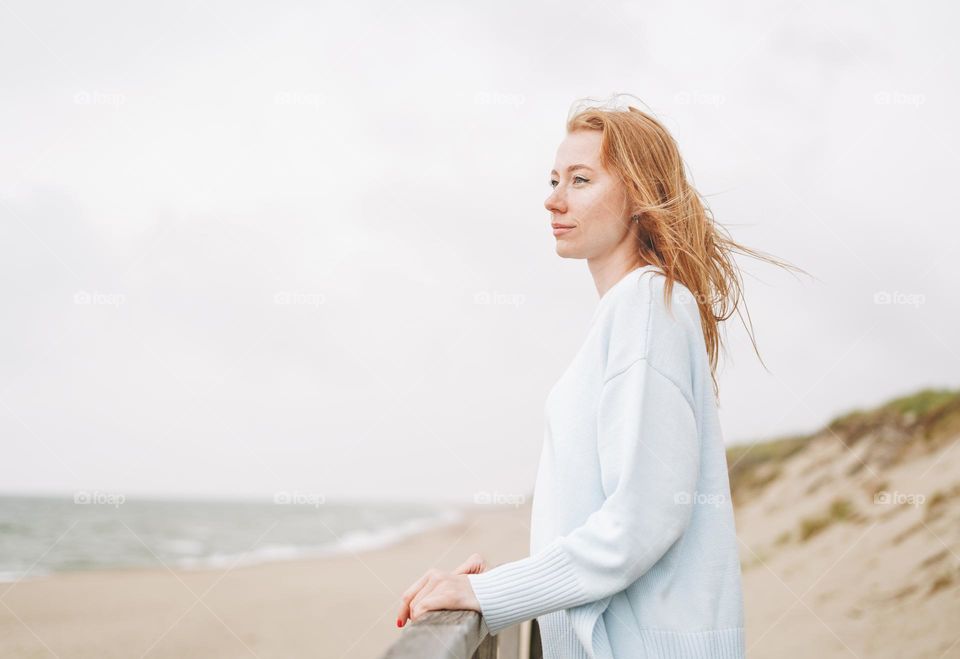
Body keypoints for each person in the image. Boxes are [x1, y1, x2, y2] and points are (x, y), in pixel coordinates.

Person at [395, 96, 801, 659]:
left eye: (580, 180)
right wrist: (501, 585)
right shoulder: (631, 311)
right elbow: (605, 517)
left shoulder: (648, 306)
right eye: (555, 178)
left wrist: (488, 593)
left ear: (638, 196)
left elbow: (643, 519)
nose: (552, 199)